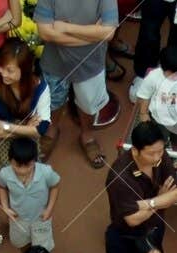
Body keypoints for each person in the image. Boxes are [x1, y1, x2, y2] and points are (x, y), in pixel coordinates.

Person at [0, 38, 52, 249]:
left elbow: (42, 128)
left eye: (9, 70)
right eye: (1, 67)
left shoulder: (40, 86)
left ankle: (20, 220)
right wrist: (25, 128)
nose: (2, 73)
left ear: (26, 70)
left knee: (23, 188)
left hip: (17, 145)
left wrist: (6, 127)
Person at [33, 0, 120, 169]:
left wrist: (65, 28)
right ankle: (51, 130)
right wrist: (93, 35)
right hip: (54, 63)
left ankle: (87, 135)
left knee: (88, 104)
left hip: (91, 64)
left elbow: (108, 33)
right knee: (53, 101)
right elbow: (45, 33)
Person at [102, 121, 177, 253]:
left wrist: (145, 204)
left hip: (155, 228)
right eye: (151, 153)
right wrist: (160, 199)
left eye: (160, 151)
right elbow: (133, 220)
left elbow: (176, 194)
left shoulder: (160, 156)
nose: (157, 157)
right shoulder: (120, 177)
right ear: (135, 150)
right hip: (126, 236)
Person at [0, 134, 61, 252]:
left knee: (41, 250)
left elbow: (55, 187)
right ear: (10, 160)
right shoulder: (4, 174)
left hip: (40, 218)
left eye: (27, 165)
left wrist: (49, 209)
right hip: (18, 218)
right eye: (17, 165)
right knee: (22, 244)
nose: (22, 170)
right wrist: (5, 207)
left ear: (35, 160)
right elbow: (2, 187)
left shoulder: (46, 172)